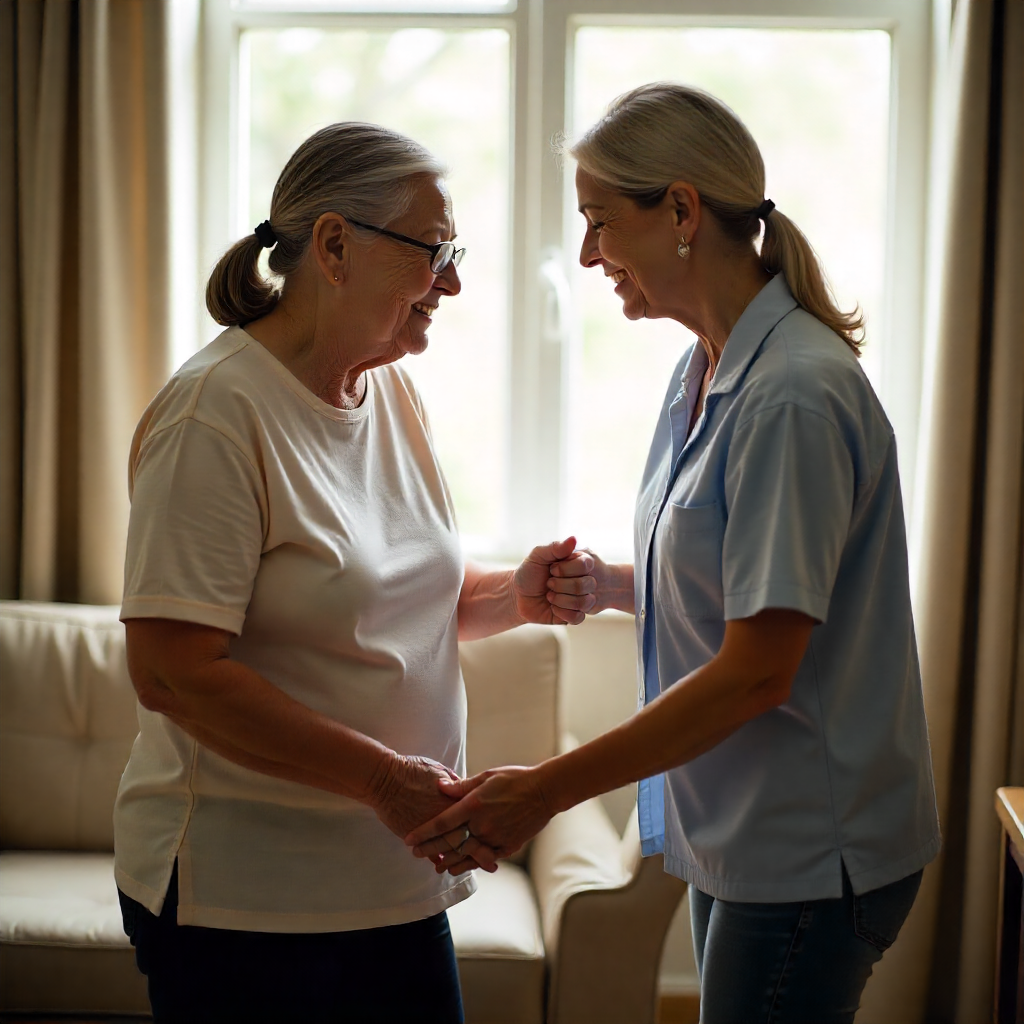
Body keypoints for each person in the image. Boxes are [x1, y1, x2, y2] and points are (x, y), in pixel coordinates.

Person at [407, 83, 941, 1024]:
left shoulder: (792, 395)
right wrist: (617, 585)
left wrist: (544, 791)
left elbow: (758, 671)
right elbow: (751, 579)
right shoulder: (704, 367)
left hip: (809, 852)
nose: (587, 254)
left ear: (683, 211)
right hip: (741, 836)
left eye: (600, 221)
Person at [114, 122, 594, 1024]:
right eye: (433, 252)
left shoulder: (391, 390)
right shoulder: (214, 415)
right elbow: (172, 673)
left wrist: (515, 594)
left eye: (454, 254)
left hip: (397, 883)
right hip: (248, 907)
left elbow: (401, 603)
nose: (451, 282)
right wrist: (384, 781)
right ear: (334, 247)